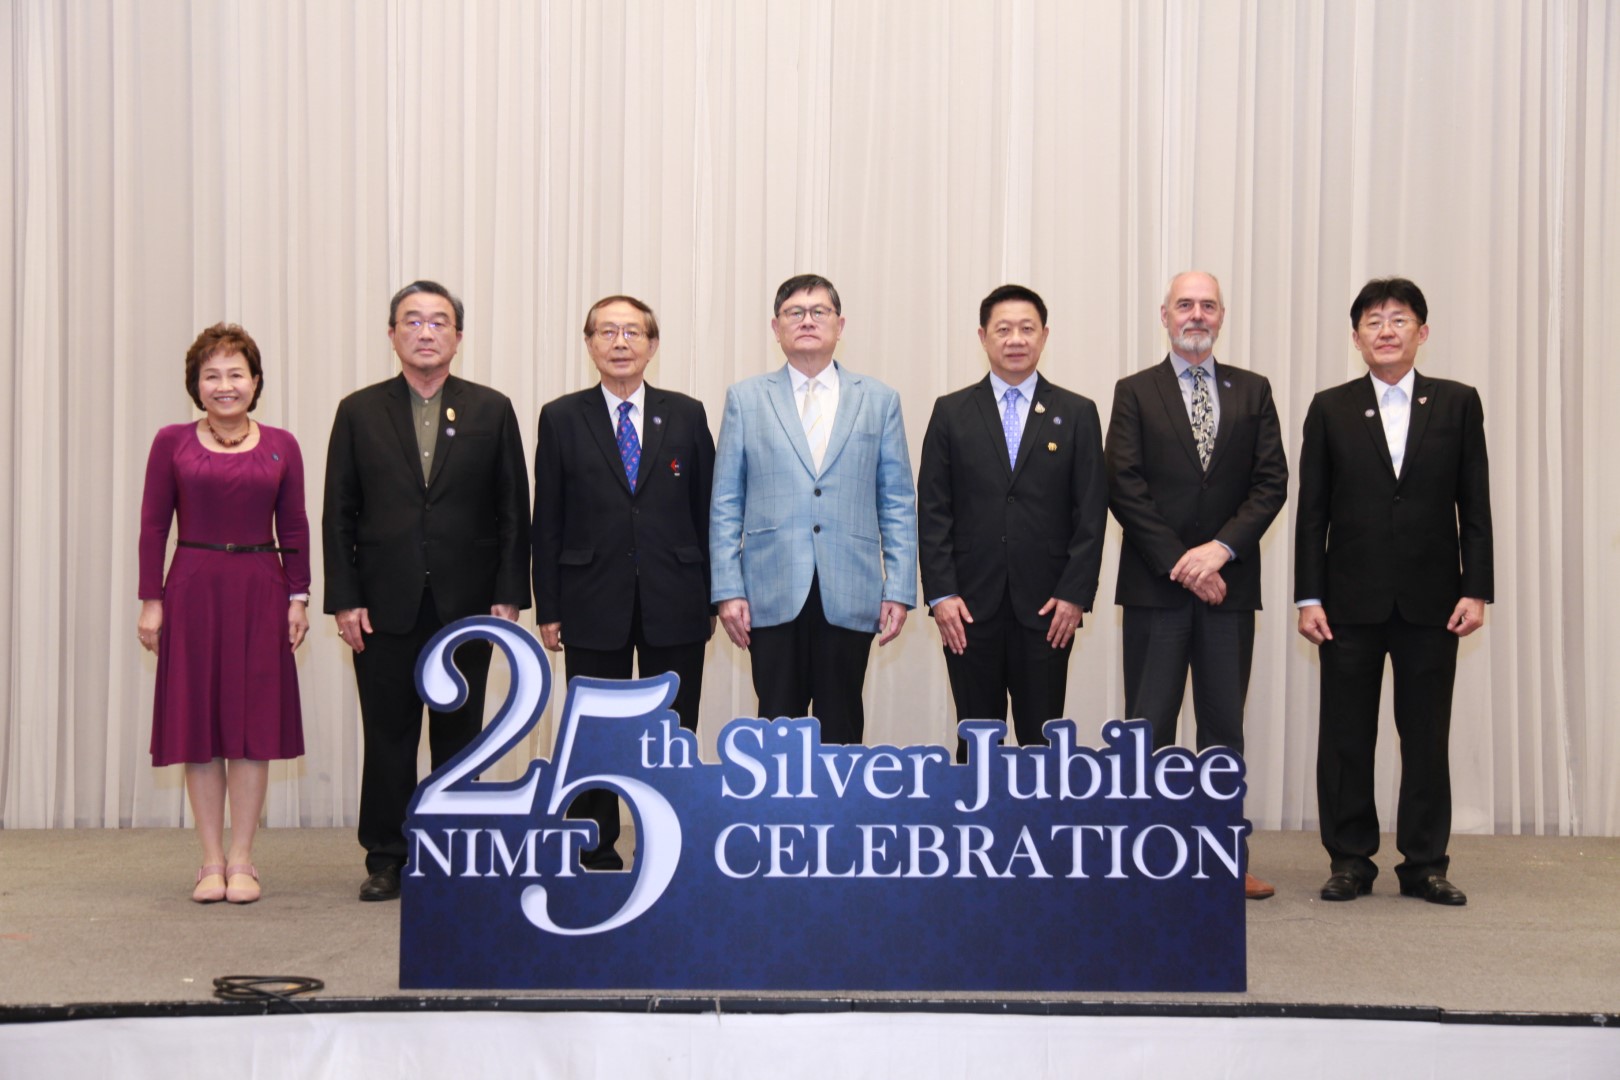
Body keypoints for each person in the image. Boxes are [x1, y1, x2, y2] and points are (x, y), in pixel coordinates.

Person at [323, 281, 530, 902]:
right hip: (383, 602)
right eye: (412, 321)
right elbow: (338, 513)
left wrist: (509, 592)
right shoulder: (358, 411)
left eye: (439, 322)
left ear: (458, 337)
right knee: (388, 734)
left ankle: (453, 851)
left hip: (467, 603)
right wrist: (345, 598)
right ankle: (387, 855)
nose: (426, 332)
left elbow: (513, 509)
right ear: (392, 335)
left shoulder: (491, 409)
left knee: (459, 734)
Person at [1296, 277, 1493, 907]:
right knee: (1346, 737)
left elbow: (1475, 505)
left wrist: (1477, 589)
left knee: (1426, 736)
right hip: (1347, 604)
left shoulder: (1458, 403)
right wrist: (1308, 597)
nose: (1386, 330)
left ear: (1422, 332)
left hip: (1434, 602)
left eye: (1399, 319)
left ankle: (1425, 864)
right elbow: (1312, 513)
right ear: (1356, 337)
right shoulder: (1330, 407)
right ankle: (1350, 860)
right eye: (1373, 321)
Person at [1104, 271, 1288, 901]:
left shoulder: (1254, 390)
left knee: (1223, 732)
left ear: (1222, 316)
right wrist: (1183, 563)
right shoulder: (1134, 391)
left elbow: (1271, 483)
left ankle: (1223, 859)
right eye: (1185, 304)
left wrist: (1219, 553)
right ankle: (1141, 860)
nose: (1196, 315)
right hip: (1156, 590)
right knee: (1146, 732)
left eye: (1208, 305)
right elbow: (1123, 485)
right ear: (1164, 315)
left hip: (1229, 590)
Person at [531, 295, 716, 870]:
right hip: (590, 597)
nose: (620, 343)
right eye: (607, 332)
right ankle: (596, 844)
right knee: (598, 733)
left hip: (676, 595)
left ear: (652, 345)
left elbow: (709, 510)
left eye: (632, 332)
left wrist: (714, 595)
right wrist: (548, 606)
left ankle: (667, 839)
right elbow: (548, 518)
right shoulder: (561, 417)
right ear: (589, 344)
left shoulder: (686, 414)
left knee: (673, 729)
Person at [138, 323, 310, 904]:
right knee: (200, 728)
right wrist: (151, 601)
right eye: (211, 375)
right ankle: (210, 860)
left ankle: (242, 858)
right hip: (192, 588)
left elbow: (294, 527)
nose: (225, 385)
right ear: (196, 385)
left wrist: (299, 597)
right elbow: (153, 526)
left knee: (252, 728)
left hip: (262, 588)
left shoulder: (282, 444)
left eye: (236, 373)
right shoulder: (171, 442)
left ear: (256, 382)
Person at [710, 273, 917, 744]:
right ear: (776, 327)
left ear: (840, 325)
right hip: (769, 588)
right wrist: (727, 589)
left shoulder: (879, 400)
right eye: (794, 313)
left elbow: (898, 501)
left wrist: (900, 587)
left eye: (819, 312)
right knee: (776, 729)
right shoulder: (746, 398)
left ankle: (840, 798)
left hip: (851, 587)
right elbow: (725, 502)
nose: (807, 321)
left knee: (842, 728)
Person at [917, 284, 1107, 761]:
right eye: (1003, 329)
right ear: (983, 337)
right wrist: (941, 594)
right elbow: (933, 509)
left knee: (1042, 744)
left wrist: (1075, 594)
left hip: (1049, 607)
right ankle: (974, 814)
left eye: (1027, 328)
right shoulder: (951, 412)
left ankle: (1040, 815)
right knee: (976, 741)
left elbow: (1091, 512)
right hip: (967, 607)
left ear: (1045, 335)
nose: (1016, 339)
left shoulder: (1077, 413)